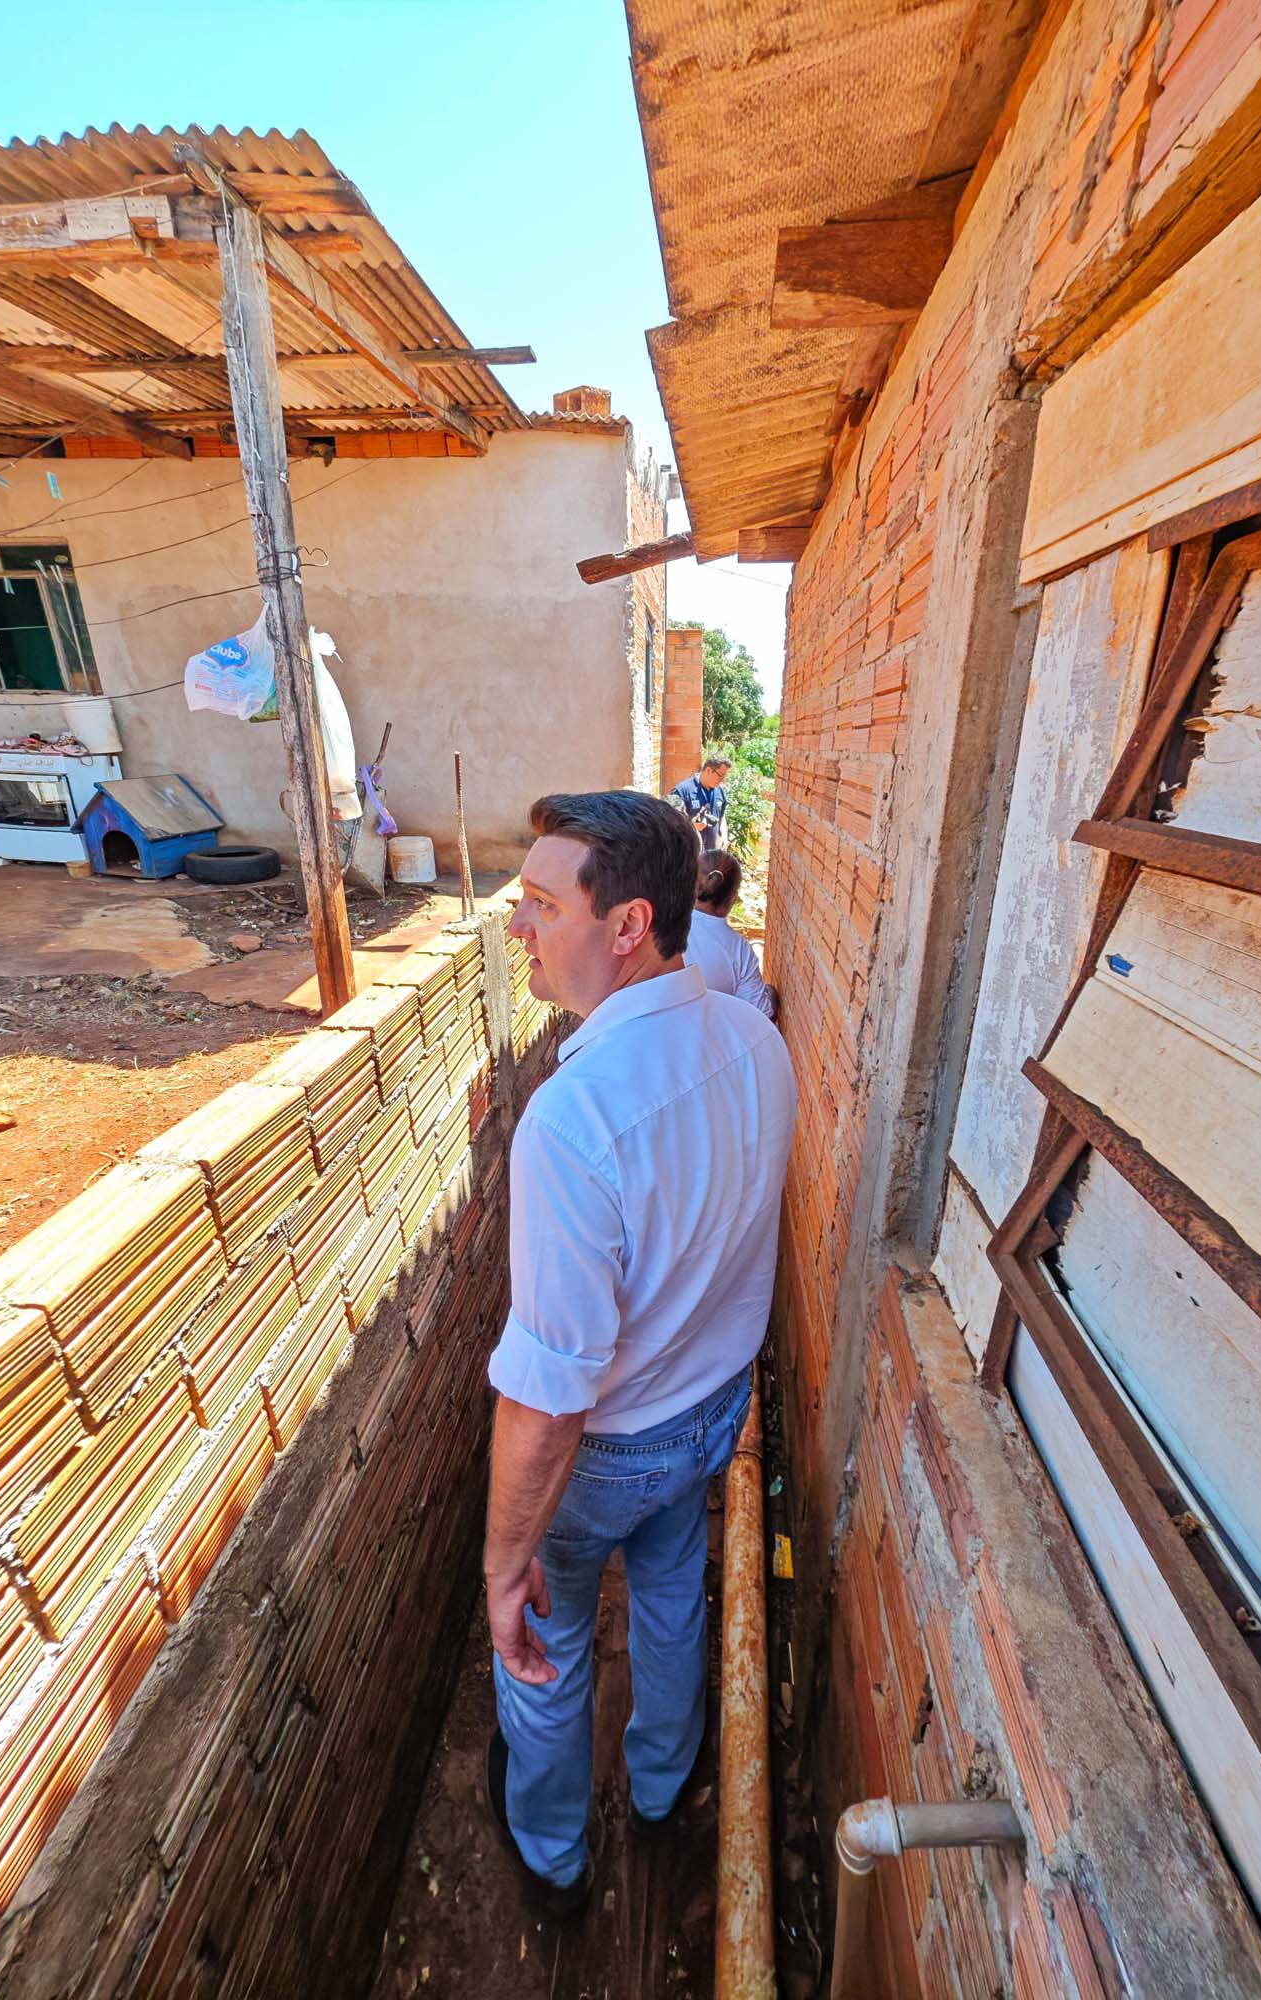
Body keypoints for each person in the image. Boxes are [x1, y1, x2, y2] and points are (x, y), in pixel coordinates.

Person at [483, 790, 796, 1914]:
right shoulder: (756, 1040)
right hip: (712, 1411)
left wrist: (500, 1564)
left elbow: (550, 1391)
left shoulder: (573, 1119)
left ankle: (555, 1856)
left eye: (537, 903)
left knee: (541, 1642)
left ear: (626, 925)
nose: (517, 927)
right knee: (671, 1596)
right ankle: (663, 1789)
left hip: (609, 1449)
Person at [684, 850, 777, 1019]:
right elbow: (760, 1016)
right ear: (733, 900)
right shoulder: (739, 950)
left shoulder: (660, 925)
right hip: (708, 1040)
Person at [667, 755, 731, 851]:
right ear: (709, 770)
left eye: (725, 776)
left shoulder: (720, 791)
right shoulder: (682, 791)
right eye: (721, 776)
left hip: (711, 857)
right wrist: (692, 827)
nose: (723, 780)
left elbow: (722, 815)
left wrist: (724, 835)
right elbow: (669, 825)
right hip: (689, 855)